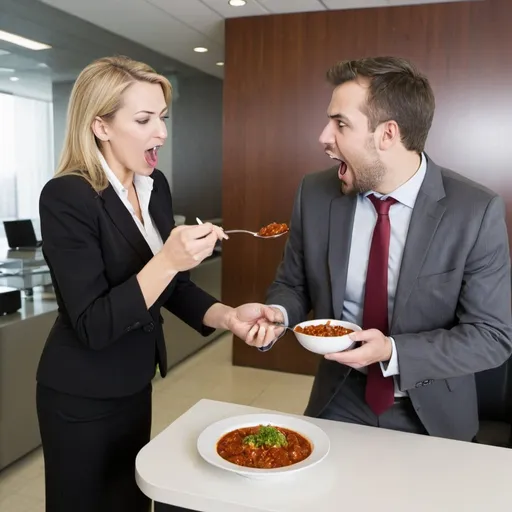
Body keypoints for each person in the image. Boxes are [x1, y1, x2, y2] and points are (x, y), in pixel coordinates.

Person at [36, 55, 280, 512]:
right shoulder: (66, 196)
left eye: (163, 118)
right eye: (145, 119)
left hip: (134, 383)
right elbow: (93, 323)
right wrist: (167, 258)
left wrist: (229, 316)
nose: (162, 133)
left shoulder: (155, 185)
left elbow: (175, 287)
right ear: (101, 126)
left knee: (131, 501)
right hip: (80, 393)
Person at [262, 56, 512, 441]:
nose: (324, 137)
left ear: (388, 134)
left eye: (340, 123)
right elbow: (293, 285)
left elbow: (491, 336)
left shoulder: (475, 212)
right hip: (338, 400)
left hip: (432, 414)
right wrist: (276, 312)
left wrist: (391, 352)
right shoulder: (314, 194)